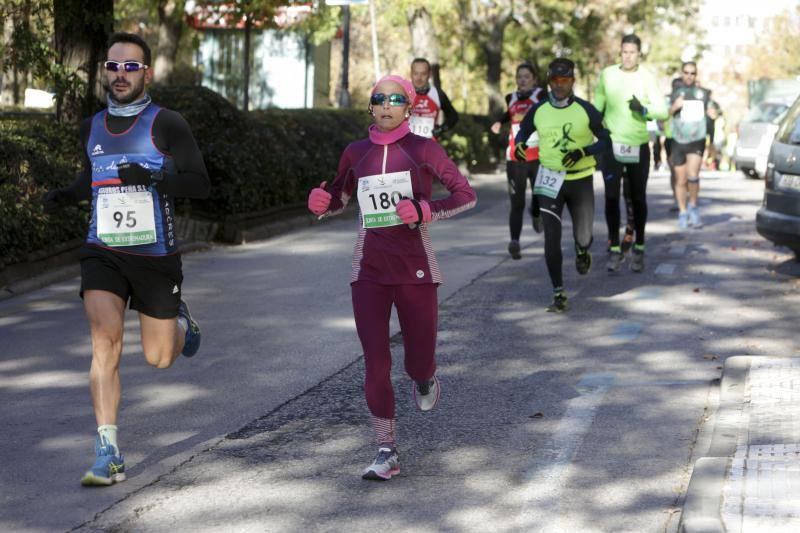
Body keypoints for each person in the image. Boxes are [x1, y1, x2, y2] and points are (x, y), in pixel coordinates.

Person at [41, 32, 210, 486]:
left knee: (160, 357)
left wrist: (154, 178)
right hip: (103, 252)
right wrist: (66, 195)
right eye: (113, 66)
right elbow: (92, 178)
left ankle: (182, 324)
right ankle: (108, 452)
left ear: (146, 74)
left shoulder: (167, 123)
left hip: (155, 256)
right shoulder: (91, 126)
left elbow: (199, 183)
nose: (120, 74)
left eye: (130, 67)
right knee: (104, 343)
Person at [307, 75, 476, 480]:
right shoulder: (356, 152)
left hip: (415, 268)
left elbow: (465, 195)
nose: (386, 104)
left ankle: (424, 377)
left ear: (409, 108)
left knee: (418, 360)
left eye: (396, 99)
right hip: (369, 269)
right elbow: (341, 196)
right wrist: (325, 204)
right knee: (375, 361)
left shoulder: (423, 149)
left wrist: (425, 210)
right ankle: (386, 450)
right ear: (371, 106)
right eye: (379, 98)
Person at [515, 58, 610, 312]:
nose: (559, 85)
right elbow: (523, 131)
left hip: (580, 179)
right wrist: (520, 145)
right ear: (549, 81)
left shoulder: (586, 109)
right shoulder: (539, 109)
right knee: (551, 238)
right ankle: (558, 292)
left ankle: (582, 250)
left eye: (565, 80)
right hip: (550, 179)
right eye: (555, 80)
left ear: (573, 81)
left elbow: (605, 140)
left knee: (585, 237)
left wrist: (582, 152)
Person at [593, 34, 667, 273]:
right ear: (620, 52)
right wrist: (594, 129)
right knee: (611, 197)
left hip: (638, 145)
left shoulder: (647, 77)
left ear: (639, 54)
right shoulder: (607, 75)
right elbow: (597, 108)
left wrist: (643, 109)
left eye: (632, 52)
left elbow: (663, 111)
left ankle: (639, 246)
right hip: (612, 144)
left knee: (638, 198)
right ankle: (614, 248)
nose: (627, 56)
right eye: (624, 52)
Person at [490, 62, 547, 259]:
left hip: (537, 156)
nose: (522, 80)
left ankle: (537, 213)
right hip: (515, 157)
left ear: (534, 80)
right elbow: (509, 113)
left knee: (539, 196)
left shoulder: (541, 95)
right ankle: (515, 242)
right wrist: (499, 122)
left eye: (526, 77)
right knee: (517, 202)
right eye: (519, 77)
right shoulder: (511, 98)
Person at [669, 61, 712, 229]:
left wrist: (713, 114)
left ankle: (693, 206)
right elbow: (665, 114)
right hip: (678, 140)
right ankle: (682, 211)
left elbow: (712, 112)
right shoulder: (675, 93)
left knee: (693, 175)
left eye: (692, 73)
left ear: (696, 75)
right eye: (686, 72)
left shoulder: (703, 93)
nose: (689, 76)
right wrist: (675, 106)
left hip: (697, 140)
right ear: (682, 73)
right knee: (681, 179)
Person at [409, 57, 459, 140]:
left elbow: (453, 116)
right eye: (416, 73)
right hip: (405, 145)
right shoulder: (402, 93)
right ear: (411, 74)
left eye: (423, 74)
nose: (419, 78)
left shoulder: (437, 94)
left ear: (429, 74)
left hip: (429, 144)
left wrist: (441, 129)